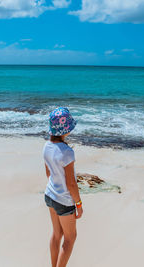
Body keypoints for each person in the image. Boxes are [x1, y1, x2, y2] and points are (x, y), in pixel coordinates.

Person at [43, 107, 83, 267]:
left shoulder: (46, 146)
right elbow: (71, 184)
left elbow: (48, 174)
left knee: (57, 234)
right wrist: (79, 204)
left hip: (50, 195)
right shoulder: (67, 152)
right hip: (63, 201)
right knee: (70, 238)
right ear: (66, 130)